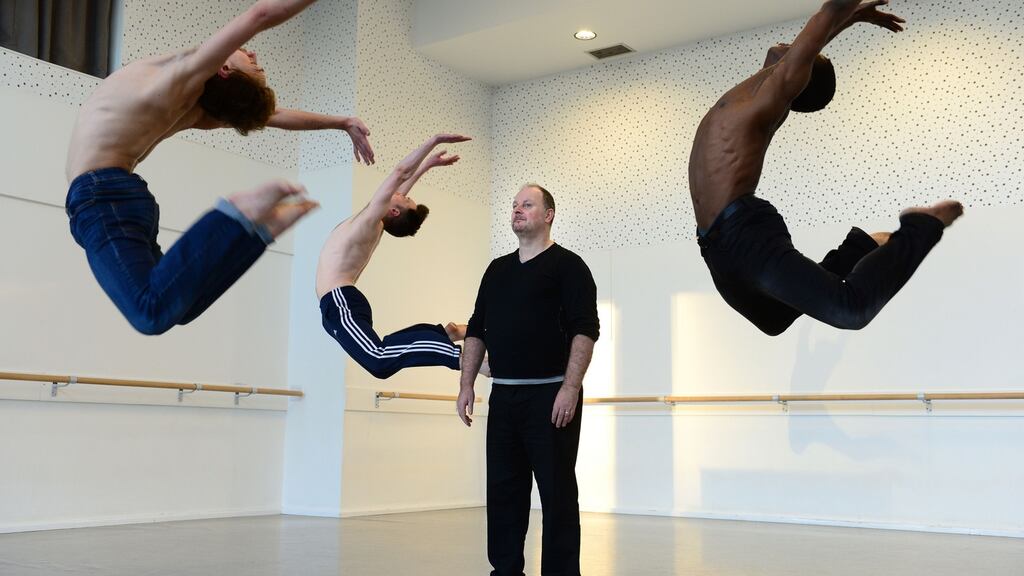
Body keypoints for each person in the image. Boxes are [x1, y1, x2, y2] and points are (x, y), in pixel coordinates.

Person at [65, 0, 374, 335]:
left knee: (149, 313)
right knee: (178, 307)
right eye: (251, 56)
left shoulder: (181, 76)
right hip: (119, 194)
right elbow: (278, 117)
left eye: (249, 60)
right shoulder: (197, 110)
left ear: (223, 69)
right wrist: (341, 121)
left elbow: (261, 14)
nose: (254, 55)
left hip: (100, 194)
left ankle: (235, 214)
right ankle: (257, 232)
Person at [688, 0, 963, 336]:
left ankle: (923, 226)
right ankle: (859, 247)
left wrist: (844, 12)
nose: (791, 45)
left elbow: (825, 16)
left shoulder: (767, 98)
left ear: (798, 77)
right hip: (715, 242)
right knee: (774, 320)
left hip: (742, 232)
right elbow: (813, 40)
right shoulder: (755, 92)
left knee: (851, 310)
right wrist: (851, 19)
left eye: (802, 54)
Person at [458, 184, 600, 576]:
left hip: (550, 399)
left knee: (557, 495)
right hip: (504, 399)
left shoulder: (569, 267)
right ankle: (505, 571)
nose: (517, 210)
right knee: (503, 494)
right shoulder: (497, 270)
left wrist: (570, 388)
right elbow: (475, 329)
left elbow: (585, 330)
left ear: (549, 214)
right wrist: (467, 384)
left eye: (527, 205)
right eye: (515, 205)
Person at [316, 134, 485, 379]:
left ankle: (461, 358)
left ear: (393, 211)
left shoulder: (369, 222)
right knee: (381, 352)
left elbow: (400, 173)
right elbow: (403, 183)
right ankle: (445, 334)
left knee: (378, 360)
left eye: (404, 198)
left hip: (339, 300)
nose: (401, 192)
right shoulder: (374, 224)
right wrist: (426, 166)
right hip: (341, 302)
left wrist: (433, 141)